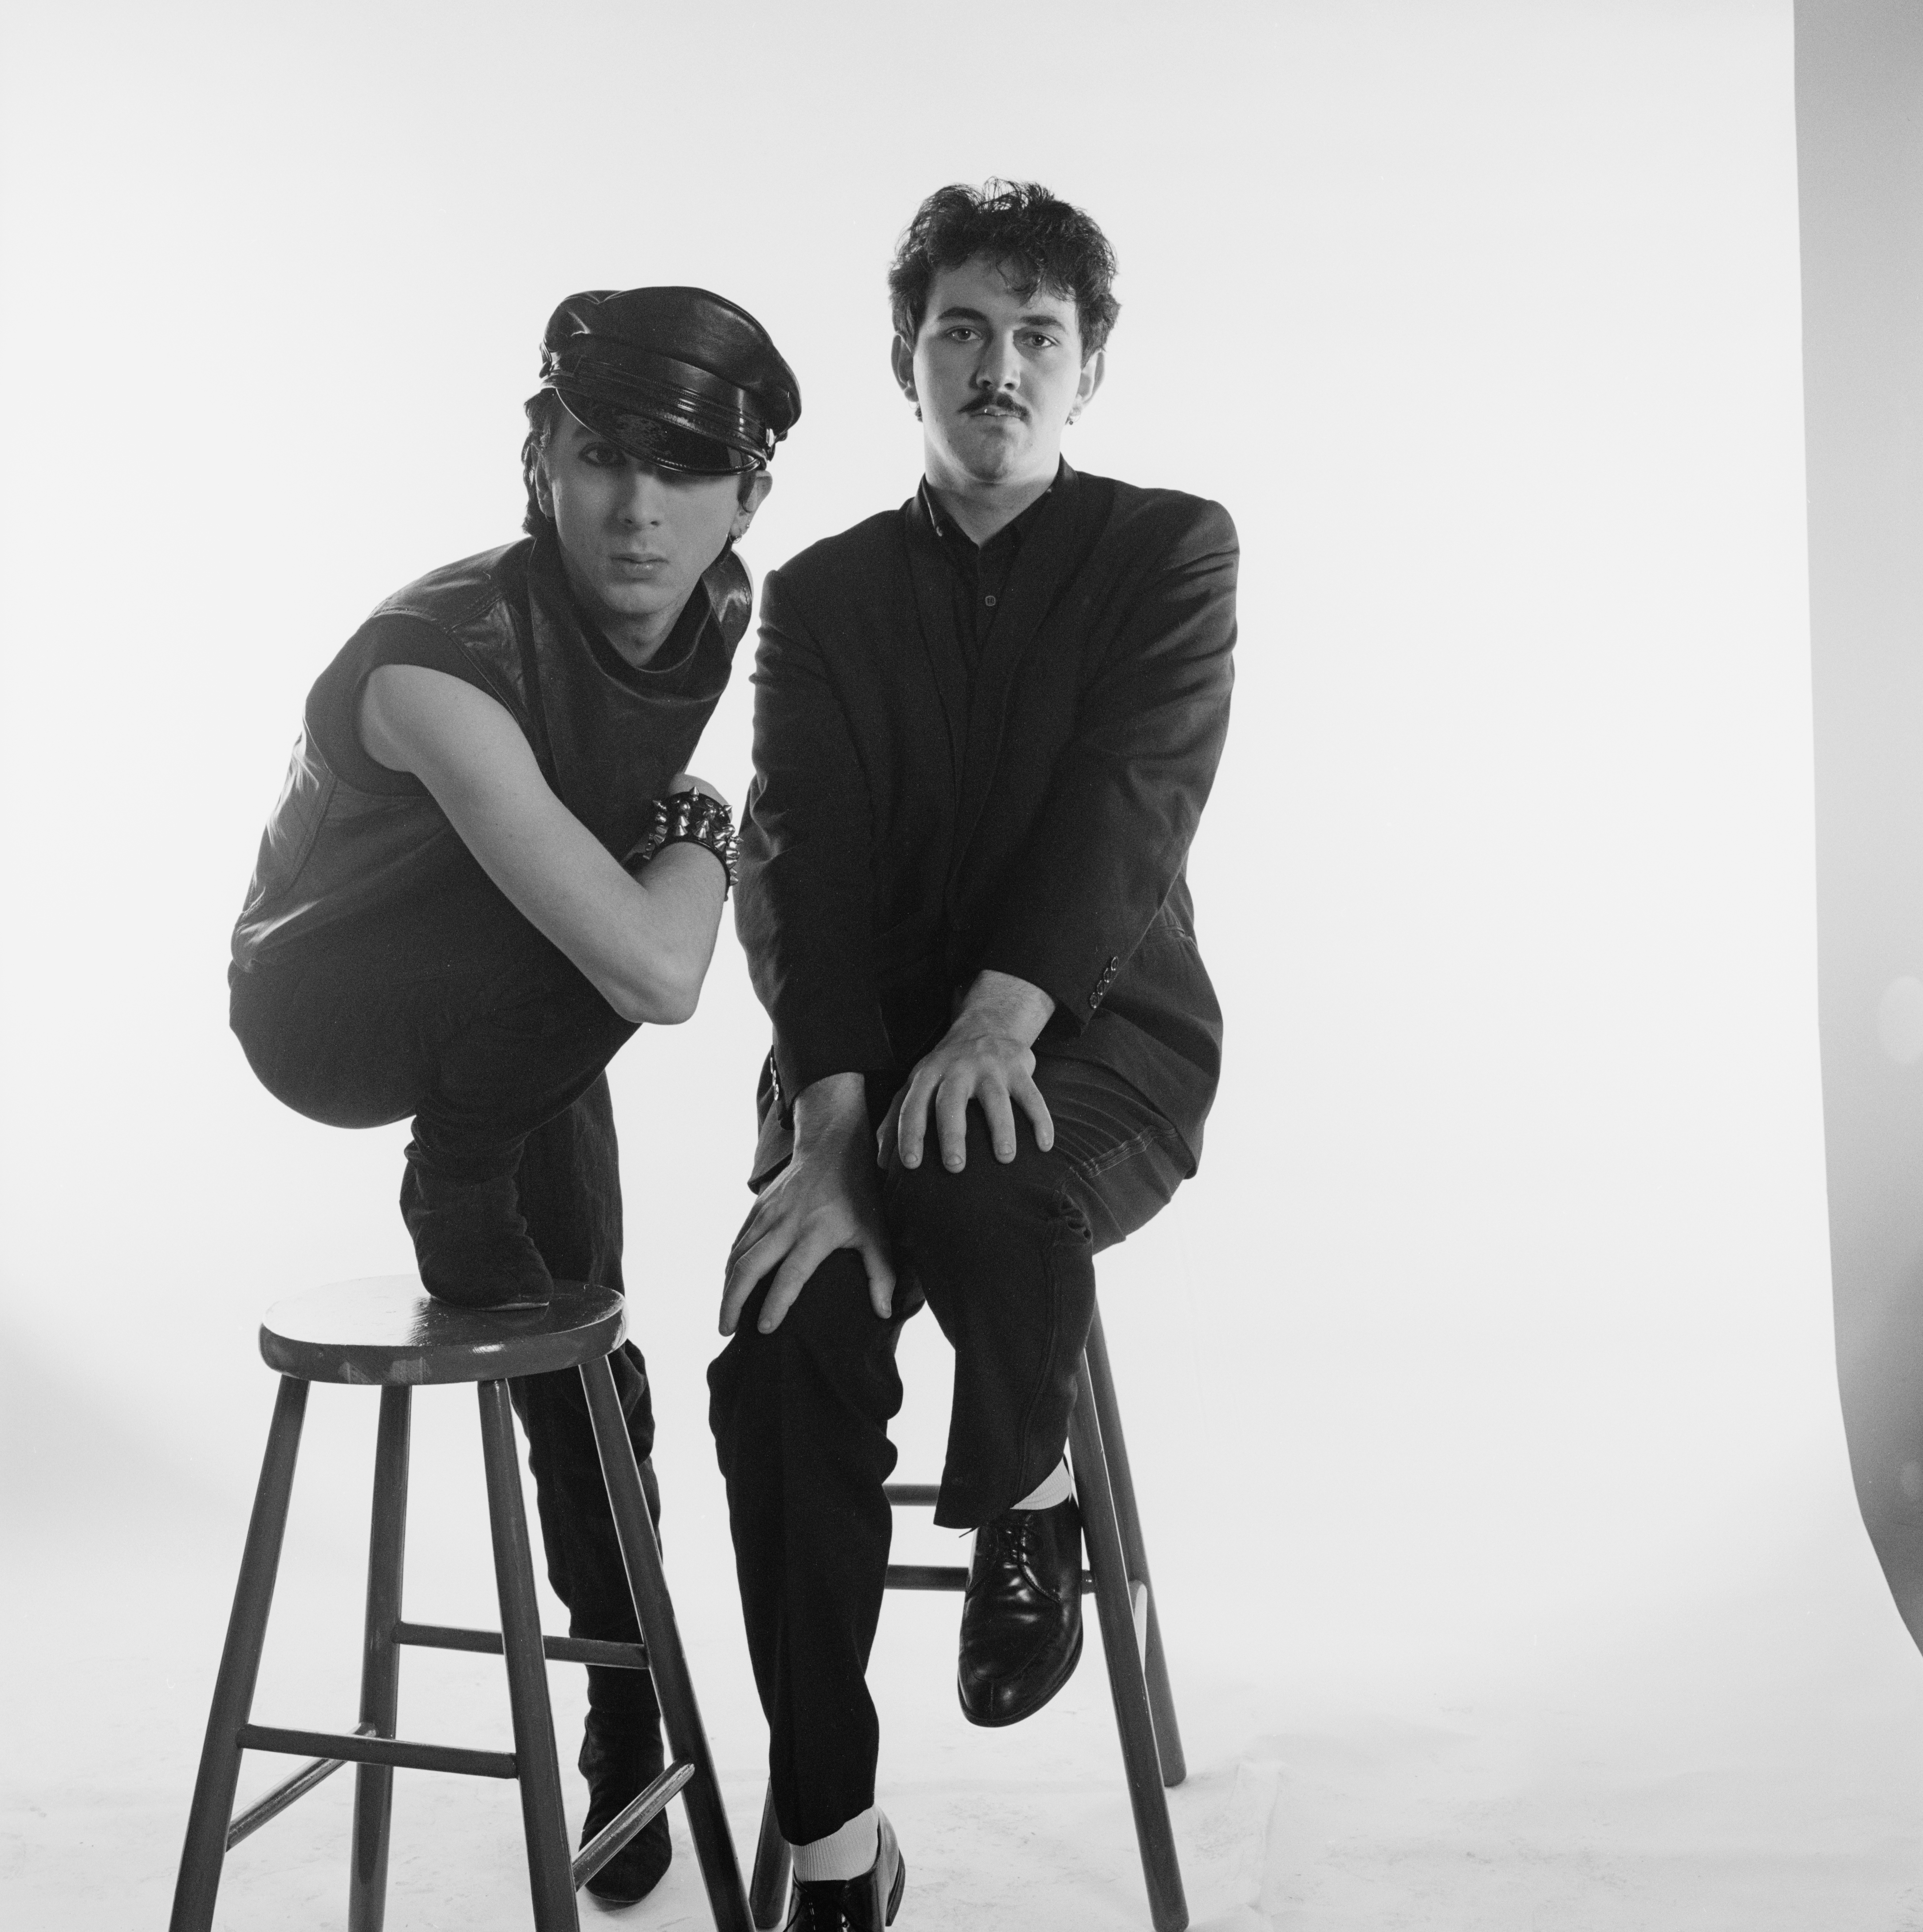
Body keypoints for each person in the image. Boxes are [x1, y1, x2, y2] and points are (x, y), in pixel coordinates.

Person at [228, 286, 799, 1906]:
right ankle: (453, 1165)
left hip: (520, 986)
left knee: (591, 1360)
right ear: (539, 454)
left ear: (746, 499)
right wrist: (699, 822)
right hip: (330, 996)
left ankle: (621, 1703)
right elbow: (659, 969)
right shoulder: (437, 663)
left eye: (688, 472)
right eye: (605, 456)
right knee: (613, 953)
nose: (639, 509)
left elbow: (621, 937)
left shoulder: (718, 605)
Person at [709, 181, 1237, 1930]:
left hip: (1093, 1048)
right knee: (783, 1353)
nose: (995, 366)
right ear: (903, 361)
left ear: (1087, 370)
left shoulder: (1170, 552)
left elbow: (1128, 804)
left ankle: (1025, 1484)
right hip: (856, 1060)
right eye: (961, 332)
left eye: (1035, 338)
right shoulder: (824, 594)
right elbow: (802, 859)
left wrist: (999, 1021)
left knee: (988, 1155)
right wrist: (838, 1118)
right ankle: (837, 1847)